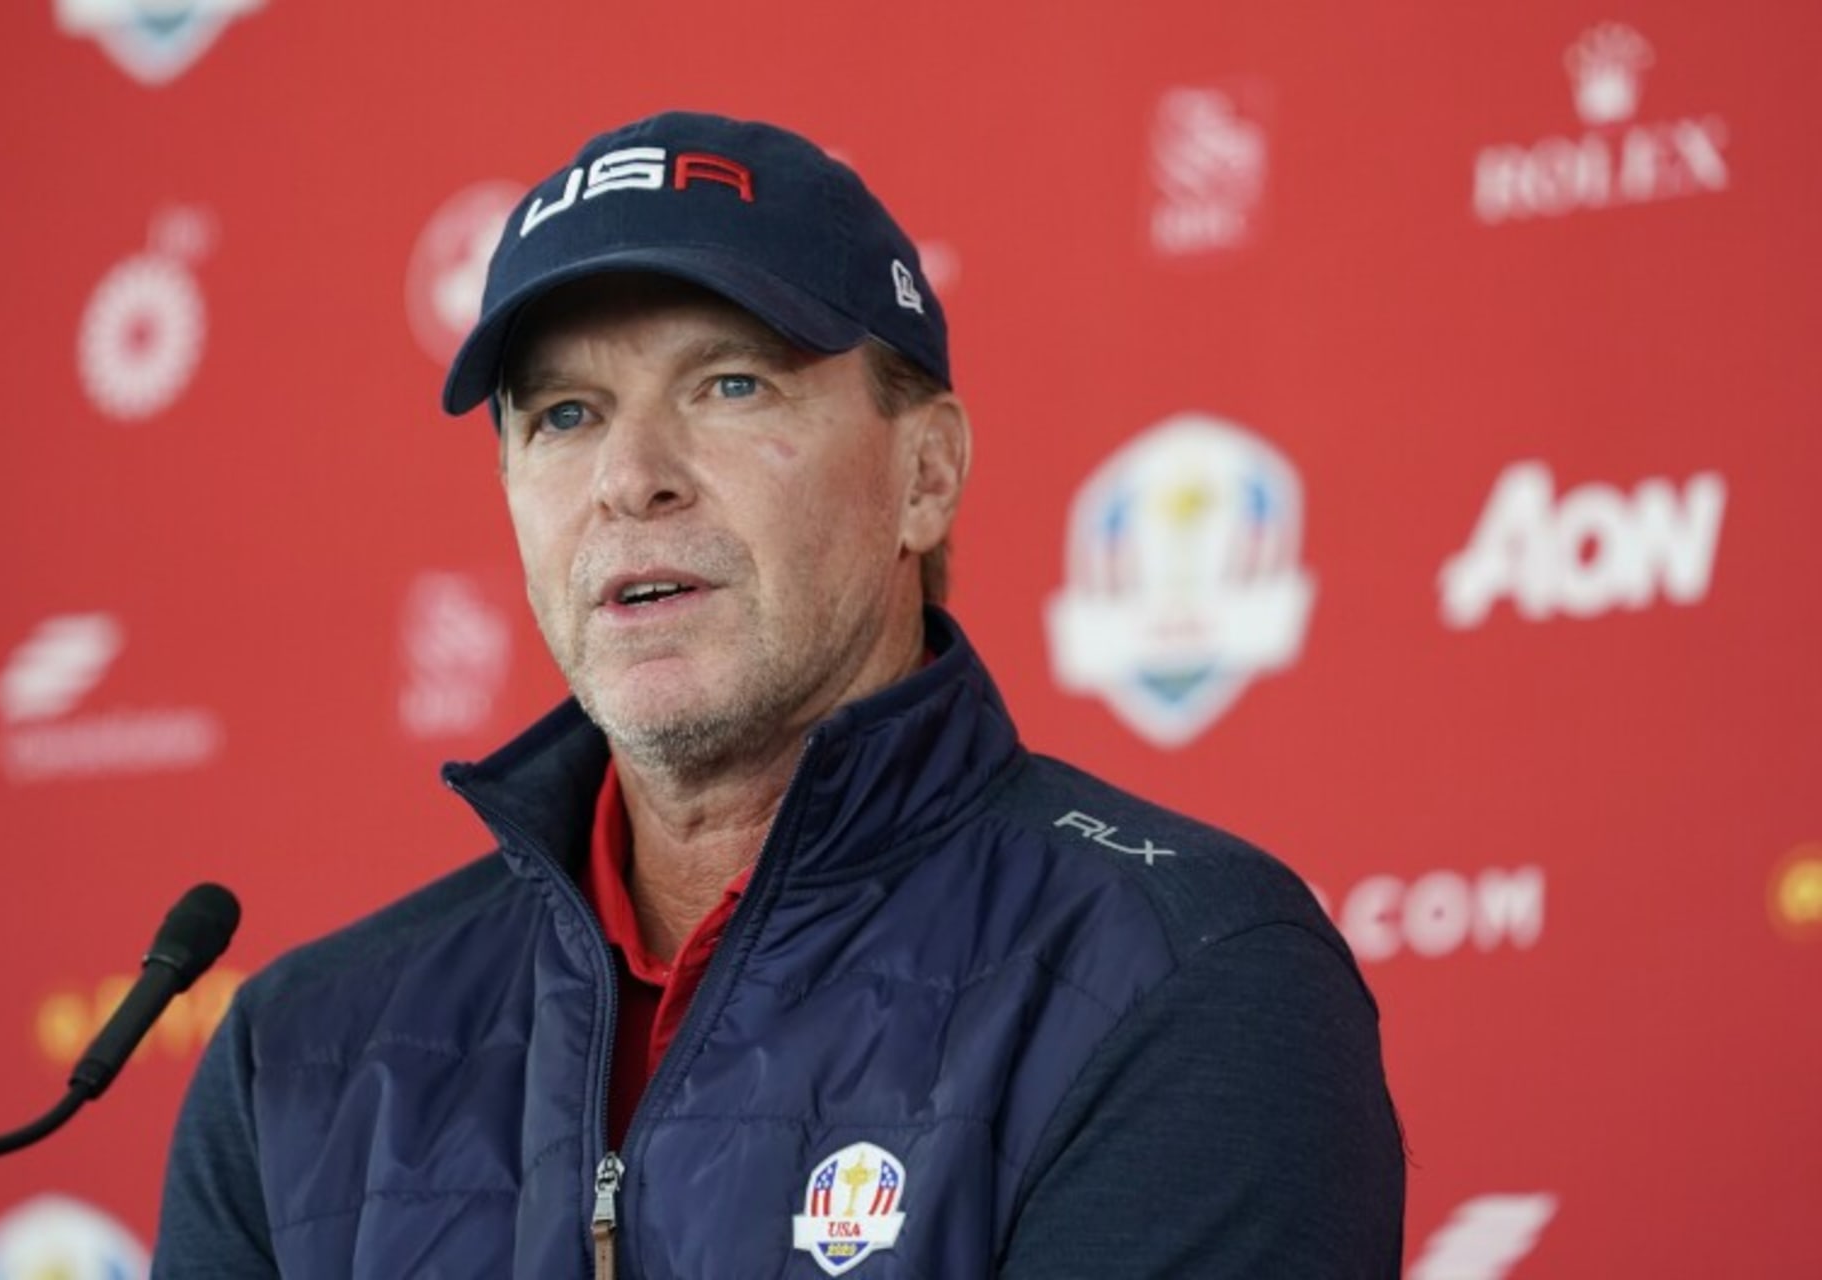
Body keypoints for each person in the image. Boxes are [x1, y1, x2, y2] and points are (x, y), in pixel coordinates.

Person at [155, 111, 1404, 1278]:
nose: (631, 478)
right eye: (566, 415)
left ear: (927, 473)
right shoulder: (294, 1056)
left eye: (731, 385)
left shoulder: (1185, 975)